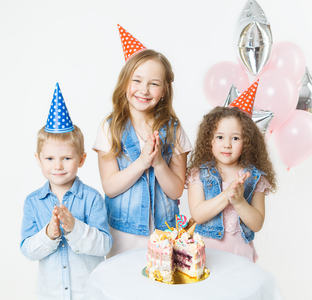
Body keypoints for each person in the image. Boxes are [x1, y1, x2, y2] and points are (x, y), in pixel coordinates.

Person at [93, 25, 192, 258]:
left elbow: (176, 190)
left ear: (165, 90)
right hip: (122, 234)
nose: (144, 90)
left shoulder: (174, 131)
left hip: (164, 233)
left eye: (154, 84)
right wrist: (141, 162)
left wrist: (158, 162)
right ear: (125, 82)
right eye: (136, 80)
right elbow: (110, 186)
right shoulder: (110, 128)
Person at [21, 83, 112, 300]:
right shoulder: (33, 202)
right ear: (38, 159)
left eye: (67, 158)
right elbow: (27, 250)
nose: (58, 166)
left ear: (81, 159)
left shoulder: (92, 198)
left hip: (89, 293)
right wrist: (49, 234)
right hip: (50, 294)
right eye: (50, 158)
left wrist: (74, 228)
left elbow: (105, 245)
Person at [187, 81, 276, 262]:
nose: (227, 144)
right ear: (209, 140)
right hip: (206, 257)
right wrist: (227, 194)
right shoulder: (199, 174)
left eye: (235, 138)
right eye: (220, 137)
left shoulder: (255, 178)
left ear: (247, 142)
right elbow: (198, 215)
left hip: (240, 257)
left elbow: (257, 224)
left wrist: (239, 201)